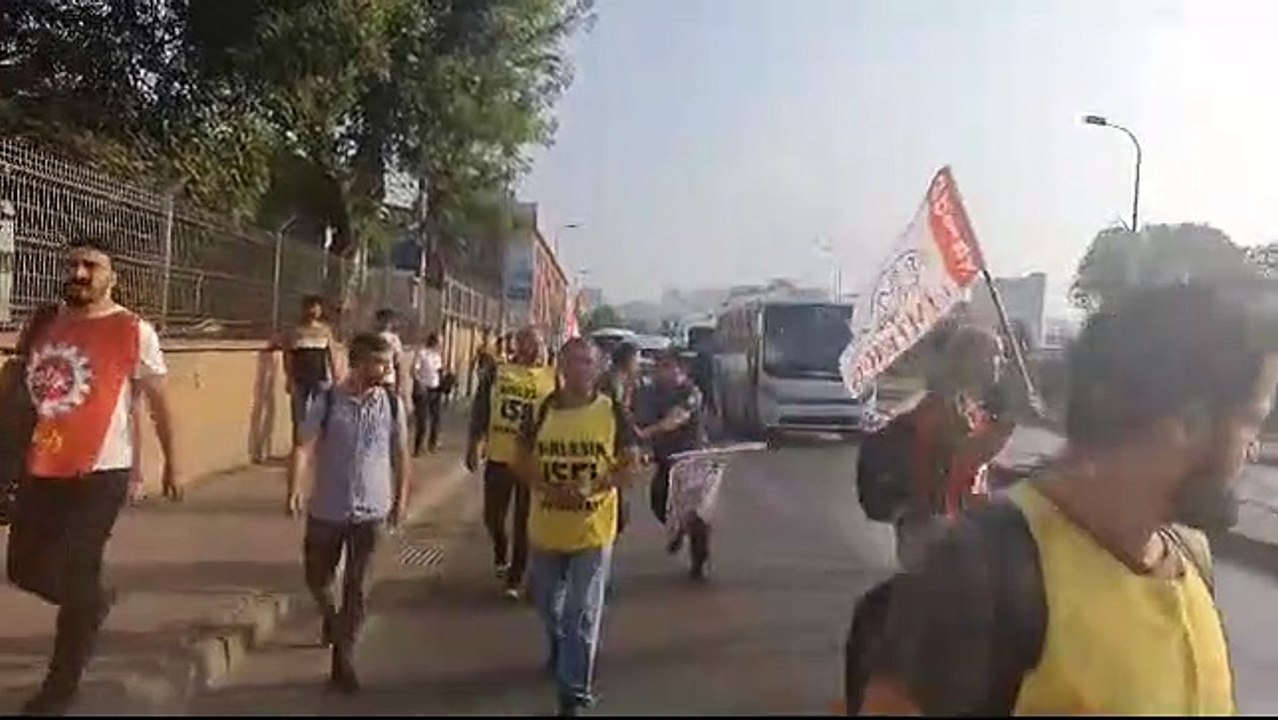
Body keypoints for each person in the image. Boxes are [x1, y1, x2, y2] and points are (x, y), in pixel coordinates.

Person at [857, 283, 1278, 715]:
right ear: (1185, 424)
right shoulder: (977, 574)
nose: (1254, 450)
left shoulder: (1191, 558)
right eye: (1251, 422)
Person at [8, 237, 182, 715]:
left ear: (113, 276)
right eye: (74, 265)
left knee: (79, 568)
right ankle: (91, 604)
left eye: (92, 266)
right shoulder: (46, 323)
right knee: (23, 568)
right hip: (41, 464)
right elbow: (22, 390)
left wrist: (172, 462)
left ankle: (58, 690)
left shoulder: (133, 329)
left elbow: (159, 401)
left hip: (100, 471)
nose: (81, 274)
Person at [516, 337, 640, 716]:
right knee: (547, 605)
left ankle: (573, 695)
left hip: (593, 529)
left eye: (588, 362)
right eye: (573, 361)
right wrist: (550, 487)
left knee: (582, 613)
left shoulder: (613, 412)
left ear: (598, 368)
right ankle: (561, 646)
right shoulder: (538, 411)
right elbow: (519, 460)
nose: (580, 369)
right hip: (547, 528)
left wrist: (594, 486)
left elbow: (631, 466)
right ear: (560, 366)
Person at [286, 332, 410, 695]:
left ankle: (344, 658)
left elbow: (401, 454)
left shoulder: (391, 403)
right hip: (328, 507)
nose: (387, 370)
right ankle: (334, 621)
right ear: (358, 363)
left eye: (388, 363)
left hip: (371, 511)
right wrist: (294, 486)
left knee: (357, 588)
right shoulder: (327, 400)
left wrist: (401, 499)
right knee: (317, 578)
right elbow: (304, 446)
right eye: (380, 363)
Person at [889, 325, 1021, 571]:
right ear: (969, 360)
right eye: (994, 354)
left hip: (954, 532)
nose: (1000, 362)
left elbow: (977, 468)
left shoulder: (968, 407)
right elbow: (964, 457)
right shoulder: (942, 409)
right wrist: (1010, 422)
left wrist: (1022, 475)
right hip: (938, 534)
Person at [467, 326, 557, 599]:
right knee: (492, 516)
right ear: (518, 345)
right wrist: (473, 443)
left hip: (532, 461)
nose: (536, 349)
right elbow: (481, 408)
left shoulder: (553, 379)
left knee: (525, 520)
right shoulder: (498, 372)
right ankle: (500, 547)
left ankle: (516, 576)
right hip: (499, 456)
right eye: (530, 343)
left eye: (539, 344)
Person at [636, 350, 709, 580]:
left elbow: (677, 418)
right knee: (659, 502)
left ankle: (699, 561)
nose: (661, 371)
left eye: (667, 366)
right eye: (659, 366)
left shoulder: (691, 392)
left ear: (681, 369)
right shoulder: (650, 393)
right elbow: (641, 419)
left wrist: (646, 433)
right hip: (665, 460)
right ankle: (676, 528)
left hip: (691, 460)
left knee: (695, 512)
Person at [282, 295, 339, 441]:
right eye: (310, 306)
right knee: (298, 415)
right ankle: (298, 444)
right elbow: (288, 356)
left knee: (320, 413)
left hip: (320, 378)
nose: (313, 310)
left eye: (316, 307)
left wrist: (335, 376)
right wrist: (289, 378)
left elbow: (331, 355)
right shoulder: (295, 332)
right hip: (299, 378)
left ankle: (319, 444)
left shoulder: (325, 331)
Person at [599, 342, 640, 538]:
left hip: (614, 437)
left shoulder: (620, 378)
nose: (639, 364)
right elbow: (620, 412)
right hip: (614, 439)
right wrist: (636, 435)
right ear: (628, 360)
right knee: (617, 485)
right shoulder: (614, 380)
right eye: (636, 359)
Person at [411, 333, 445, 455]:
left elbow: (439, 372)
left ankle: (432, 444)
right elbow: (414, 370)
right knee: (422, 420)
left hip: (435, 390)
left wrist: (443, 382)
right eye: (440, 342)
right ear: (433, 342)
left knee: (436, 419)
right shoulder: (422, 353)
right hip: (424, 389)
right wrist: (419, 384)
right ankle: (418, 447)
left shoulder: (437, 356)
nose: (441, 344)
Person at [373, 308, 411, 406]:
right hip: (382, 380)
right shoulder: (392, 339)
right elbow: (398, 363)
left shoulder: (390, 339)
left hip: (381, 379)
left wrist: (399, 384)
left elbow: (398, 363)